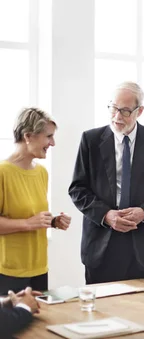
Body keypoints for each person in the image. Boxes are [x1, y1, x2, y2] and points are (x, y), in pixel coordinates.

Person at [69, 81, 144, 284]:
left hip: (143, 244)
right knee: (102, 313)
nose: (117, 116)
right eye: (113, 108)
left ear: (140, 111)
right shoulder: (90, 140)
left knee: (142, 312)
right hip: (101, 243)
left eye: (126, 111)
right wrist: (106, 215)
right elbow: (77, 188)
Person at [0, 108, 71, 295]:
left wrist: (53, 222)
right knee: (13, 323)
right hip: (8, 271)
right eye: (48, 136)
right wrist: (27, 224)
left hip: (39, 268)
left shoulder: (41, 172)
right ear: (28, 136)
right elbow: (27, 220)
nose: (53, 143)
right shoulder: (2, 173)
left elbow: (30, 213)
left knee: (40, 322)